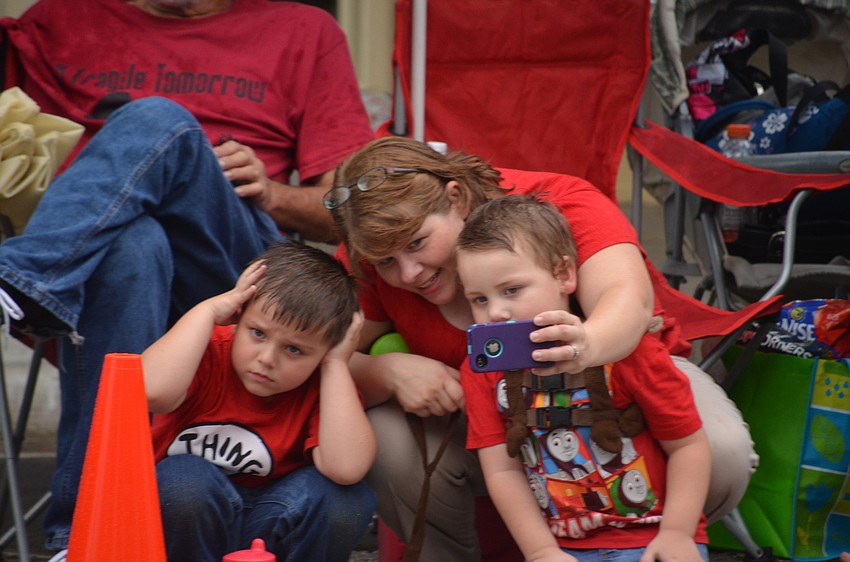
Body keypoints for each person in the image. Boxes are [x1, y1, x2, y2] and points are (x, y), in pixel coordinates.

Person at [0, 0, 373, 555]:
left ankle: (25, 281)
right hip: (106, 267)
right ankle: (85, 539)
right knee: (133, 244)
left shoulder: (304, 30)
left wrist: (274, 193)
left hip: (243, 285)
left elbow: (348, 210)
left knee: (161, 121)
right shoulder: (53, 22)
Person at [328, 136, 757, 560]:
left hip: (620, 397)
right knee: (384, 435)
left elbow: (628, 299)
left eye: (418, 243)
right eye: (386, 262)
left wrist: (587, 345)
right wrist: (386, 372)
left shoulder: (557, 204)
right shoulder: (377, 241)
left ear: (455, 198)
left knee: (721, 448)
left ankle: (663, 540)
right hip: (491, 414)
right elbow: (319, 353)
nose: (409, 273)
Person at [455, 194, 710, 562]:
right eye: (478, 299)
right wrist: (541, 551)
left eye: (512, 290)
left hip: (655, 536)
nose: (495, 311)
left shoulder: (625, 349)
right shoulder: (482, 372)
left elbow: (688, 446)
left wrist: (677, 534)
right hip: (565, 549)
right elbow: (502, 472)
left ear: (564, 274)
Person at [142, 241, 376, 562]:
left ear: (325, 352)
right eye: (258, 333)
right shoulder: (206, 349)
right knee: (183, 482)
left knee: (345, 500)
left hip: (273, 521)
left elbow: (346, 468)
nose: (267, 359)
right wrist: (207, 311)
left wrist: (336, 365)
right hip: (190, 523)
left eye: (294, 350)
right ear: (239, 313)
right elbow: (151, 391)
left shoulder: (325, 380)